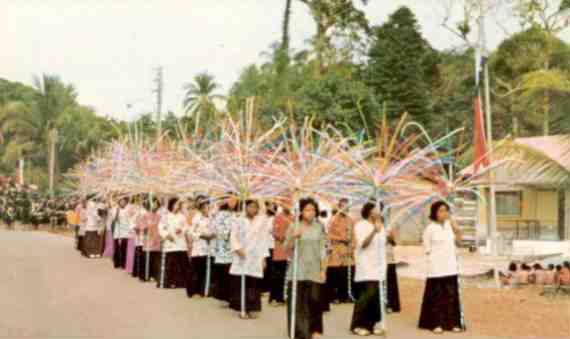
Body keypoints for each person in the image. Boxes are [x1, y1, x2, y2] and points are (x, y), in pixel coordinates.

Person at [418, 200, 465, 334]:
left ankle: (452, 323)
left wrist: (457, 230)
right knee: (437, 297)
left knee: (451, 296)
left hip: (451, 266)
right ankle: (436, 323)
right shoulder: (430, 228)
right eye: (441, 210)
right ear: (434, 213)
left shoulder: (450, 226)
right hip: (436, 268)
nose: (444, 213)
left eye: (446, 210)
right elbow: (427, 249)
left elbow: (460, 243)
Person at [285, 198, 327, 339]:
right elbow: (286, 249)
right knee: (298, 304)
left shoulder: (319, 227)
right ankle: (300, 333)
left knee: (315, 301)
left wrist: (323, 269)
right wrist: (293, 237)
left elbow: (323, 250)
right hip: (298, 270)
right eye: (307, 210)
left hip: (314, 269)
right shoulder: (294, 226)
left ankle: (315, 330)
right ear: (301, 212)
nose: (311, 213)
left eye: (313, 210)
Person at [350, 202, 387, 337]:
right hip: (366, 266)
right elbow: (363, 244)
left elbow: (384, 243)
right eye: (376, 209)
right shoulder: (361, 225)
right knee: (366, 297)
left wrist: (389, 236)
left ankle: (371, 325)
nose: (379, 211)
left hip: (379, 266)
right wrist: (374, 231)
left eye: (380, 209)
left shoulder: (381, 225)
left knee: (375, 298)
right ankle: (357, 325)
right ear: (369, 211)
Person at [229, 200, 270, 319]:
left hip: (255, 256)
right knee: (242, 282)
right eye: (250, 206)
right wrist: (238, 249)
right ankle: (242, 308)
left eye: (255, 207)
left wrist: (263, 258)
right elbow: (233, 236)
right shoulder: (238, 220)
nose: (253, 209)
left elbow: (264, 239)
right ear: (245, 207)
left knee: (254, 283)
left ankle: (252, 308)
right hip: (242, 254)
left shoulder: (261, 221)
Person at [211, 193, 240, 305]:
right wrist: (229, 233)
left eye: (235, 200)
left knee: (232, 273)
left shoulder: (236, 214)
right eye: (231, 200)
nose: (233, 203)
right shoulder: (220, 215)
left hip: (234, 249)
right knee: (224, 273)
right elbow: (218, 229)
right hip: (223, 248)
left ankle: (232, 297)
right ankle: (223, 297)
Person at [326, 198, 355, 305]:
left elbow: (353, 236)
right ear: (339, 207)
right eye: (343, 206)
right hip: (336, 250)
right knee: (335, 275)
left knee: (348, 274)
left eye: (347, 206)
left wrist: (352, 246)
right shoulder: (333, 220)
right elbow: (328, 235)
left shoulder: (351, 220)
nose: (345, 208)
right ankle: (334, 297)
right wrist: (341, 239)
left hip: (348, 251)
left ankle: (346, 296)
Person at [158, 198, 191, 288]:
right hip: (170, 242)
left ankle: (182, 282)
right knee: (170, 263)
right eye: (175, 204)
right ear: (171, 205)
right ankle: (169, 282)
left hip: (180, 243)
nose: (177, 206)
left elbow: (186, 227)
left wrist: (182, 230)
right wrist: (166, 235)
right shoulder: (166, 216)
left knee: (182, 263)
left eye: (178, 204)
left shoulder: (182, 216)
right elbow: (160, 227)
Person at [187, 197, 215, 297]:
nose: (206, 209)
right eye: (204, 207)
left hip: (210, 247)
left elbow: (215, 229)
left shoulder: (212, 217)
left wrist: (212, 235)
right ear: (201, 208)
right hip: (199, 247)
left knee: (207, 270)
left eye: (208, 206)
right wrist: (201, 236)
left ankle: (206, 291)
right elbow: (191, 232)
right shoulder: (197, 218)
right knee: (197, 270)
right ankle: (194, 291)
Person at [269, 203, 293, 306]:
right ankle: (275, 298)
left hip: (291, 251)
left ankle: (284, 297)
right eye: (286, 204)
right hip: (280, 250)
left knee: (287, 276)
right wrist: (282, 237)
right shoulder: (278, 217)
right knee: (277, 276)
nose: (288, 206)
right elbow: (274, 232)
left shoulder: (293, 217)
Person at [112, 197, 131, 269]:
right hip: (118, 231)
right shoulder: (115, 209)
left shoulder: (127, 210)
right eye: (121, 201)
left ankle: (123, 264)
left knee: (124, 248)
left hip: (125, 231)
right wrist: (117, 212)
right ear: (119, 202)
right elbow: (115, 220)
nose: (123, 203)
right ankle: (116, 263)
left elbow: (129, 220)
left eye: (124, 201)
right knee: (117, 247)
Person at [386, 225, 400, 313]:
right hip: (379, 261)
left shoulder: (389, 228)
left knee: (390, 284)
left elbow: (394, 243)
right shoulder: (372, 228)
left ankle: (391, 305)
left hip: (389, 260)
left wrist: (390, 238)